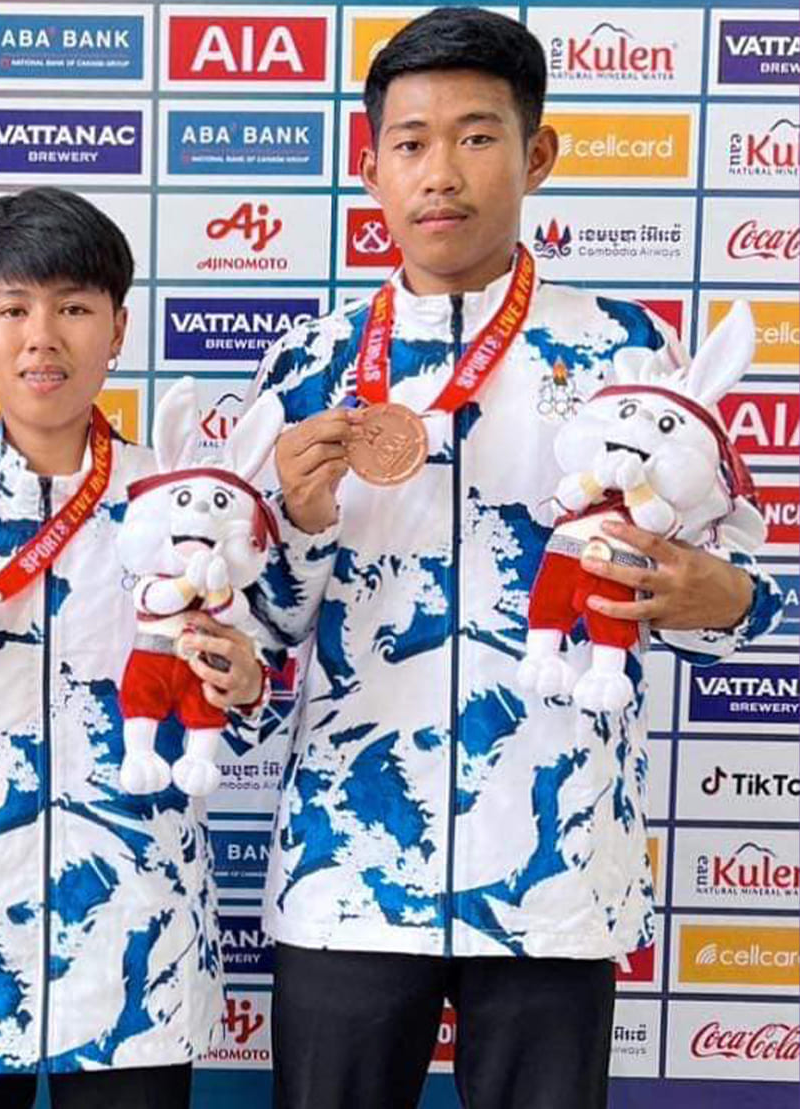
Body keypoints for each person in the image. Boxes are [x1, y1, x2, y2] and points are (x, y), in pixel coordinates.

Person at [248, 9, 783, 1109]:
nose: (440, 172)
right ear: (370, 168)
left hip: (557, 856)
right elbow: (250, 632)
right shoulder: (308, 365)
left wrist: (720, 598)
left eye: (476, 136)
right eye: (410, 142)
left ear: (536, 155)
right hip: (349, 864)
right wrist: (296, 526)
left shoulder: (629, 349)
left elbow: (736, 585)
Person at [0, 187, 317, 1109]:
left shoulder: (184, 504)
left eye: (74, 308)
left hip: (136, 936)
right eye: (13, 309)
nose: (41, 337)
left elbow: (251, 718)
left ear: (118, 328)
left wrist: (248, 683)